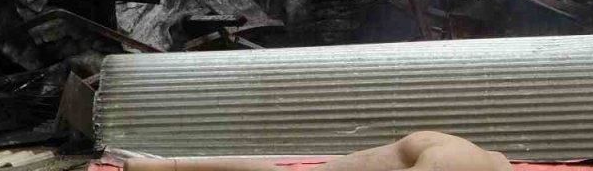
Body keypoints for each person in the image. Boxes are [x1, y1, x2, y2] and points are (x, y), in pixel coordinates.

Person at [123, 132, 514, 171]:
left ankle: (163, 168)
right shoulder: (465, 163)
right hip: (435, 155)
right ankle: (164, 168)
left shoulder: (476, 155)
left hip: (426, 143)